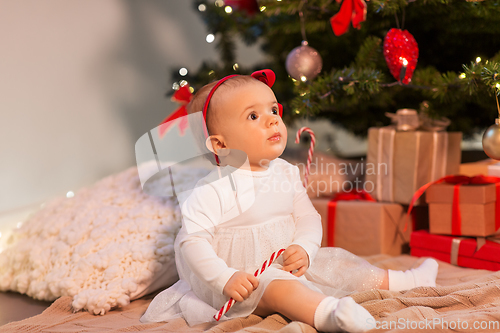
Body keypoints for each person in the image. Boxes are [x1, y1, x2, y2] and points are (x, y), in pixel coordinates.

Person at [140, 70, 438, 332]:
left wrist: (305, 249)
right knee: (281, 290)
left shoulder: (285, 172)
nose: (272, 120)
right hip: (243, 281)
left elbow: (308, 218)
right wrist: (224, 278)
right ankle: (328, 315)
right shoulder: (211, 190)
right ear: (220, 144)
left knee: (340, 265)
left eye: (273, 110)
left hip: (284, 260)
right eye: (254, 116)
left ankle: (405, 280)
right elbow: (192, 243)